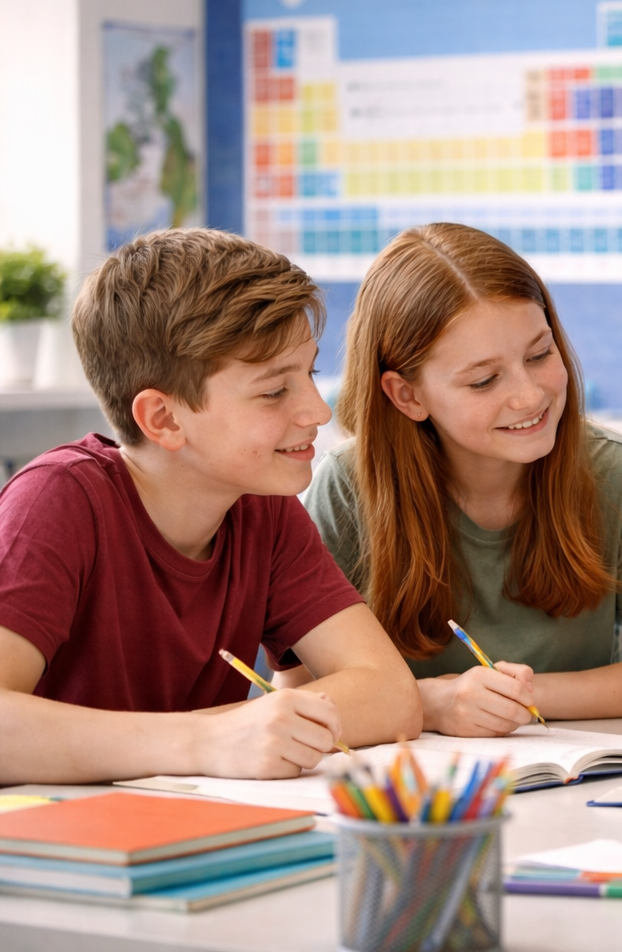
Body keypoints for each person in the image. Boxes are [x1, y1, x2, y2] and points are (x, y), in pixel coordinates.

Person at [0, 229, 421, 784]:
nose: (318, 412)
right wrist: (204, 740)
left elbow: (390, 693)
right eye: (274, 391)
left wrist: (218, 733)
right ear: (165, 420)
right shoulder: (56, 501)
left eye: (310, 374)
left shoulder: (261, 509)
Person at [295, 223, 622, 736]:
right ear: (407, 396)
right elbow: (299, 695)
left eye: (540, 355)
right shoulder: (347, 487)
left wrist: (517, 697)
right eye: (484, 380)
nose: (530, 396)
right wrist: (431, 703)